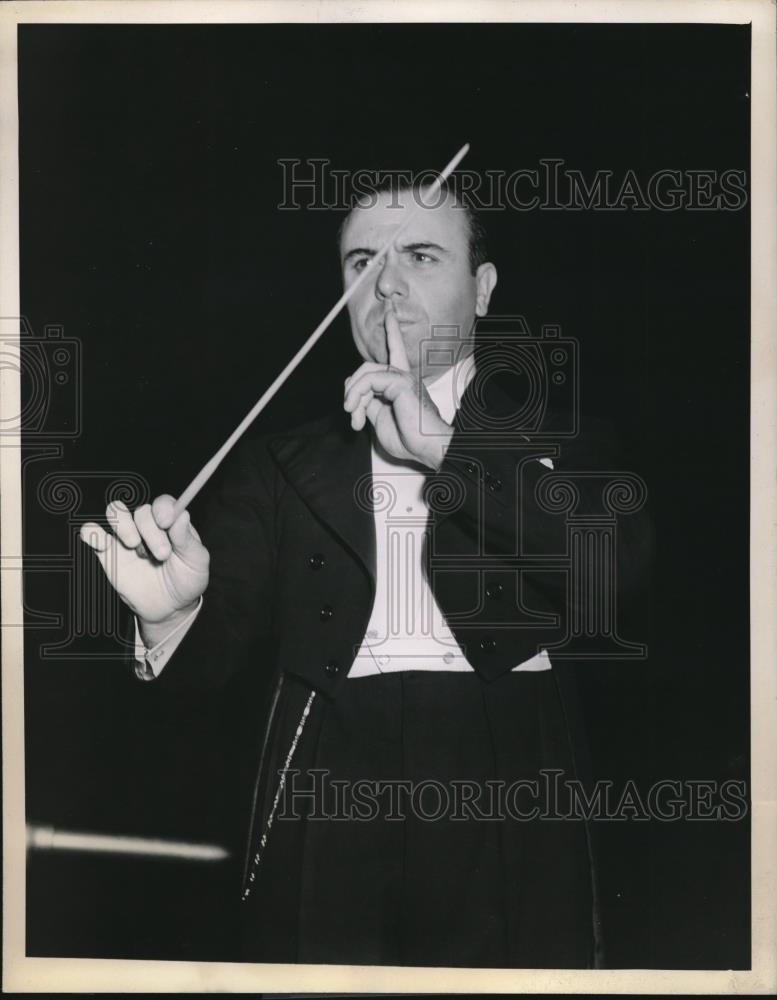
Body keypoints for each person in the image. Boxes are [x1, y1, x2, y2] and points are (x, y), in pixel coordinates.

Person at [81, 180, 651, 968]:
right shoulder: (279, 462)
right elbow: (215, 659)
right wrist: (172, 618)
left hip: (506, 760)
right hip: (328, 759)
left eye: (420, 255)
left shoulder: (565, 435)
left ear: (481, 290)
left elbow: (613, 570)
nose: (385, 284)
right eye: (362, 261)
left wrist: (445, 449)